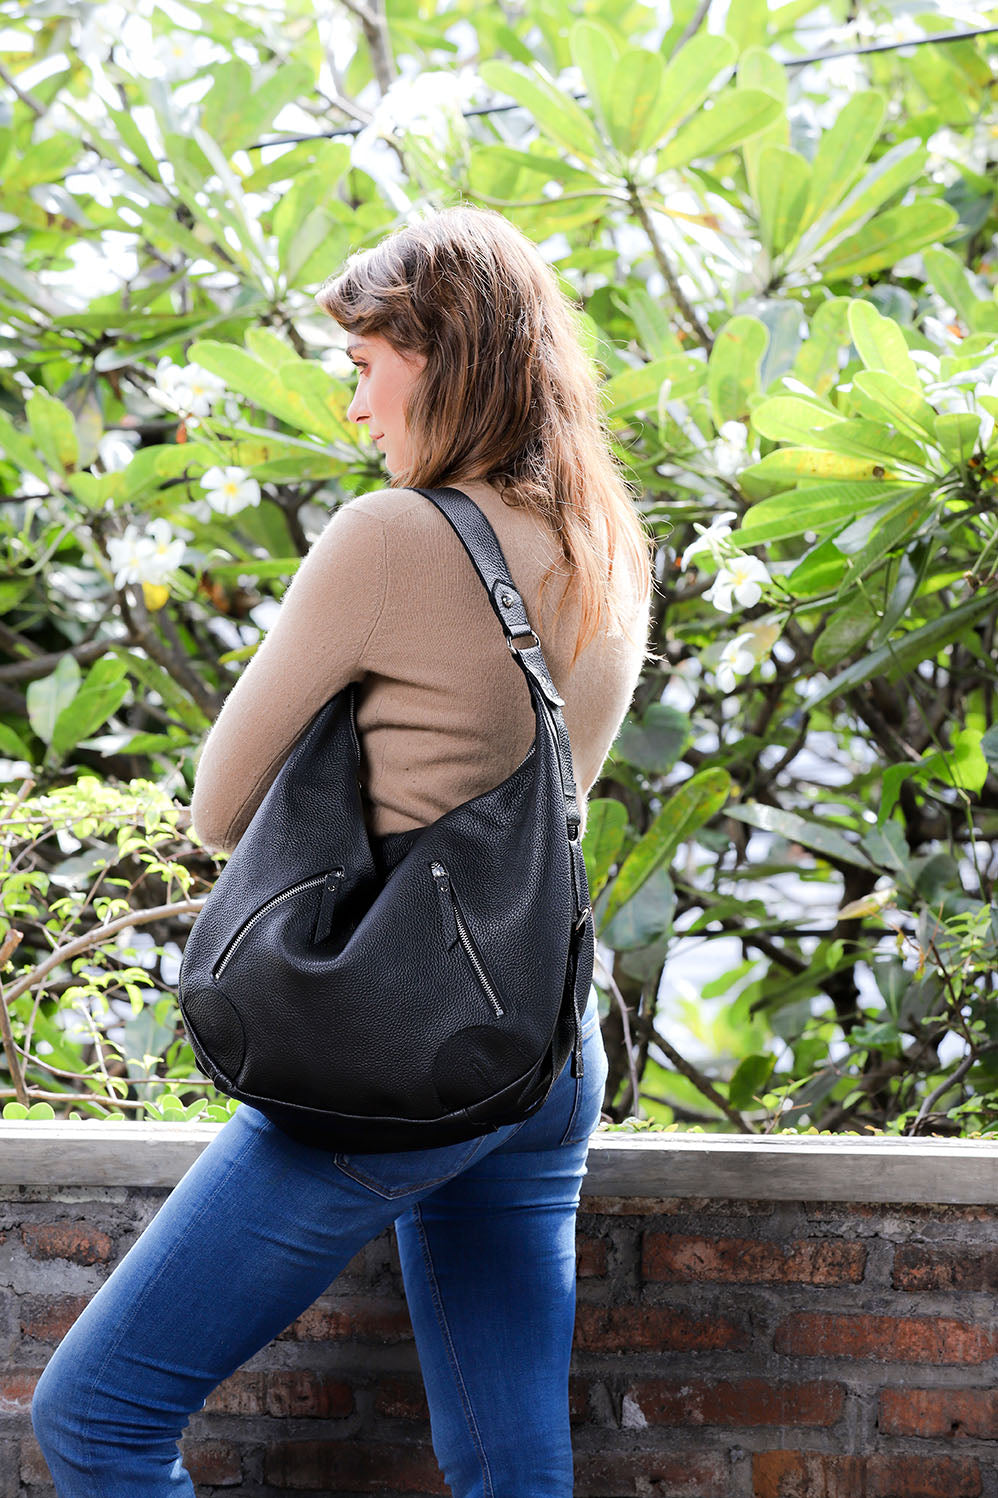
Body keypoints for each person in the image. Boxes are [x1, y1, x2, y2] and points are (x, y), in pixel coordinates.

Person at [31, 202, 655, 1497]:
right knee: (507, 1463)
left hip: (398, 1048)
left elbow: (216, 806)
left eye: (368, 366)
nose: (355, 407)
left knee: (97, 1417)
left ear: (442, 357)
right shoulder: (610, 544)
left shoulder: (391, 538)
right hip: (542, 1042)